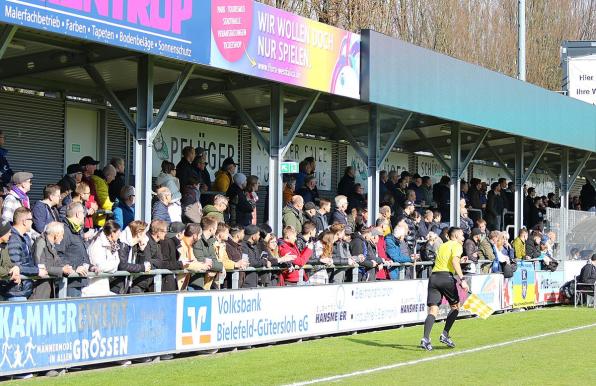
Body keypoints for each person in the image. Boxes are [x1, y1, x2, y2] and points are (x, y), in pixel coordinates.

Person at [420, 227, 469, 351]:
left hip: (434, 277)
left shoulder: (442, 245)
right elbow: (454, 262)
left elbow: (447, 260)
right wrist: (462, 280)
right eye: (462, 235)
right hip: (446, 277)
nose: (463, 238)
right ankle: (445, 334)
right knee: (455, 307)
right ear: (456, 236)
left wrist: (459, 261)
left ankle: (425, 339)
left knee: (433, 310)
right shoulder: (457, 245)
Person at [6, 208, 49, 300]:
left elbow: (27, 262)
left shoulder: (25, 237)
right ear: (24, 221)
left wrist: (36, 268)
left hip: (23, 288)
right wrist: (37, 271)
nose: (32, 223)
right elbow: (15, 266)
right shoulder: (13, 239)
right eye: (31, 220)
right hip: (15, 291)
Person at [55, 202, 94, 297]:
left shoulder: (76, 230)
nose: (84, 216)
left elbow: (81, 253)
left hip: (78, 281)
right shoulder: (65, 230)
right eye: (83, 213)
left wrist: (91, 266)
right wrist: (75, 268)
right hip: (69, 283)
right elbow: (57, 255)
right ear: (78, 214)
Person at [31, 221, 73, 299]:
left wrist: (66, 267)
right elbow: (40, 266)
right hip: (39, 291)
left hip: (48, 289)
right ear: (56, 234)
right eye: (62, 235)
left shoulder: (51, 246)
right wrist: (61, 269)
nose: (62, 237)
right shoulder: (41, 243)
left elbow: (58, 262)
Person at [114, 220, 152, 294]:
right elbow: (122, 265)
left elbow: (137, 264)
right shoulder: (123, 243)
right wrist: (143, 267)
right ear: (139, 234)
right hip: (116, 286)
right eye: (144, 234)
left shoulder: (132, 244)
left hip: (125, 285)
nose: (146, 237)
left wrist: (141, 250)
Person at [87, 220, 122, 296]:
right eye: (118, 233)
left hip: (104, 283)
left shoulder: (113, 245)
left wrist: (112, 266)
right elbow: (99, 265)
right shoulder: (97, 244)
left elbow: (117, 262)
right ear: (112, 233)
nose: (120, 235)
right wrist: (113, 267)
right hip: (94, 285)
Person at [192, 217, 224, 290]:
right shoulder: (198, 241)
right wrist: (220, 267)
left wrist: (218, 266)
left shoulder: (210, 242)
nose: (216, 230)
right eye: (215, 228)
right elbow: (200, 260)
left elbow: (214, 259)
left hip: (208, 281)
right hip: (197, 282)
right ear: (211, 229)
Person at [0, 220, 21, 298]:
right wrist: (9, 272)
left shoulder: (4, 246)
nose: (10, 234)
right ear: (2, 233)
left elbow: (7, 263)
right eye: (8, 232)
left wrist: (15, 269)